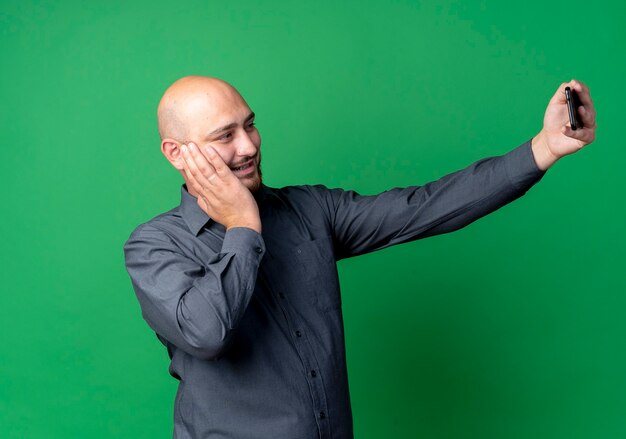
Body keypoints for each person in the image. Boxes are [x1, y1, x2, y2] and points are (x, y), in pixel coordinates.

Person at [123, 76, 596, 439]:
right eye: (224, 136)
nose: (248, 147)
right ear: (176, 153)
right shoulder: (153, 246)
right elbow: (206, 332)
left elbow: (422, 206)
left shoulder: (309, 209)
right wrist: (244, 225)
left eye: (249, 125)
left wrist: (543, 148)